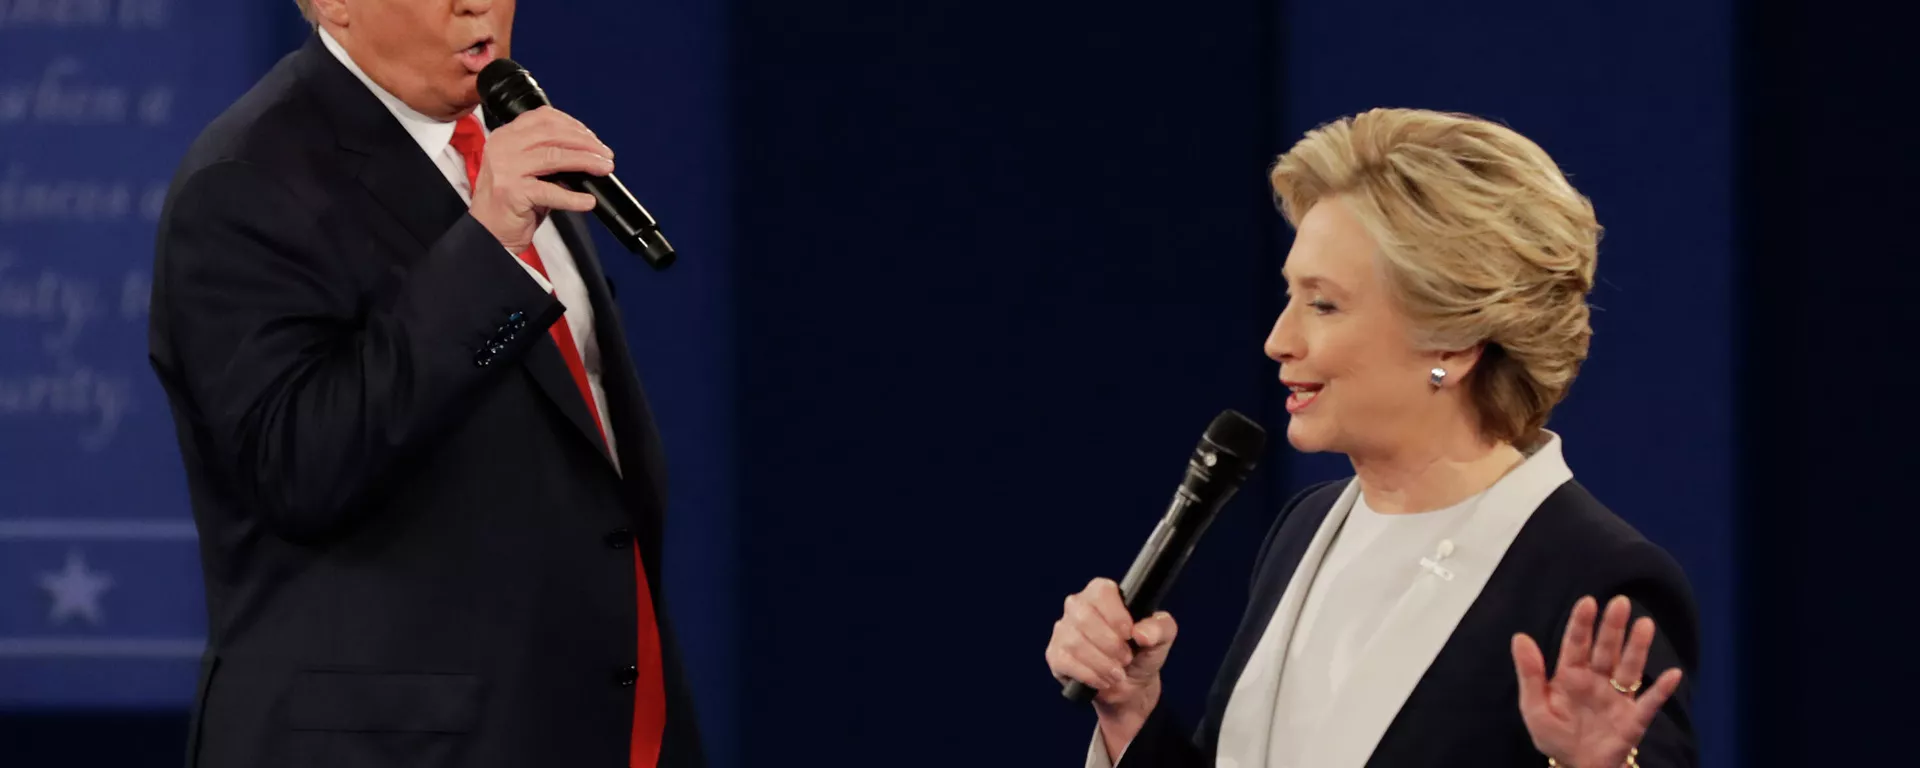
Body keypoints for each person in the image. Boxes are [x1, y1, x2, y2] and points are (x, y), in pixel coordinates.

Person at [1045, 108, 1699, 768]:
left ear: (1453, 337)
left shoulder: (1594, 580)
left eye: (1322, 304)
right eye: (1289, 295)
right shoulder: (1306, 528)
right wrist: (1131, 714)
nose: (1279, 340)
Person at [146, 0, 703, 766]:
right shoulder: (245, 179)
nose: (477, 3)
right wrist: (487, 251)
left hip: (587, 725)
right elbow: (298, 467)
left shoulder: (501, 146)